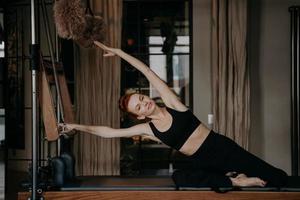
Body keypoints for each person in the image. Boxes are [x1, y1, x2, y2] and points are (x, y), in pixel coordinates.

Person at [59, 41, 287, 188]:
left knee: (277, 178)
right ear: (138, 116)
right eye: (138, 108)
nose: (144, 104)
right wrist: (75, 126)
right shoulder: (148, 129)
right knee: (180, 177)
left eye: (141, 99)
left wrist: (119, 53)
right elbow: (108, 133)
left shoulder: (172, 103)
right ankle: (236, 182)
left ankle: (235, 177)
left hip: (222, 149)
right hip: (203, 163)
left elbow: (146, 71)